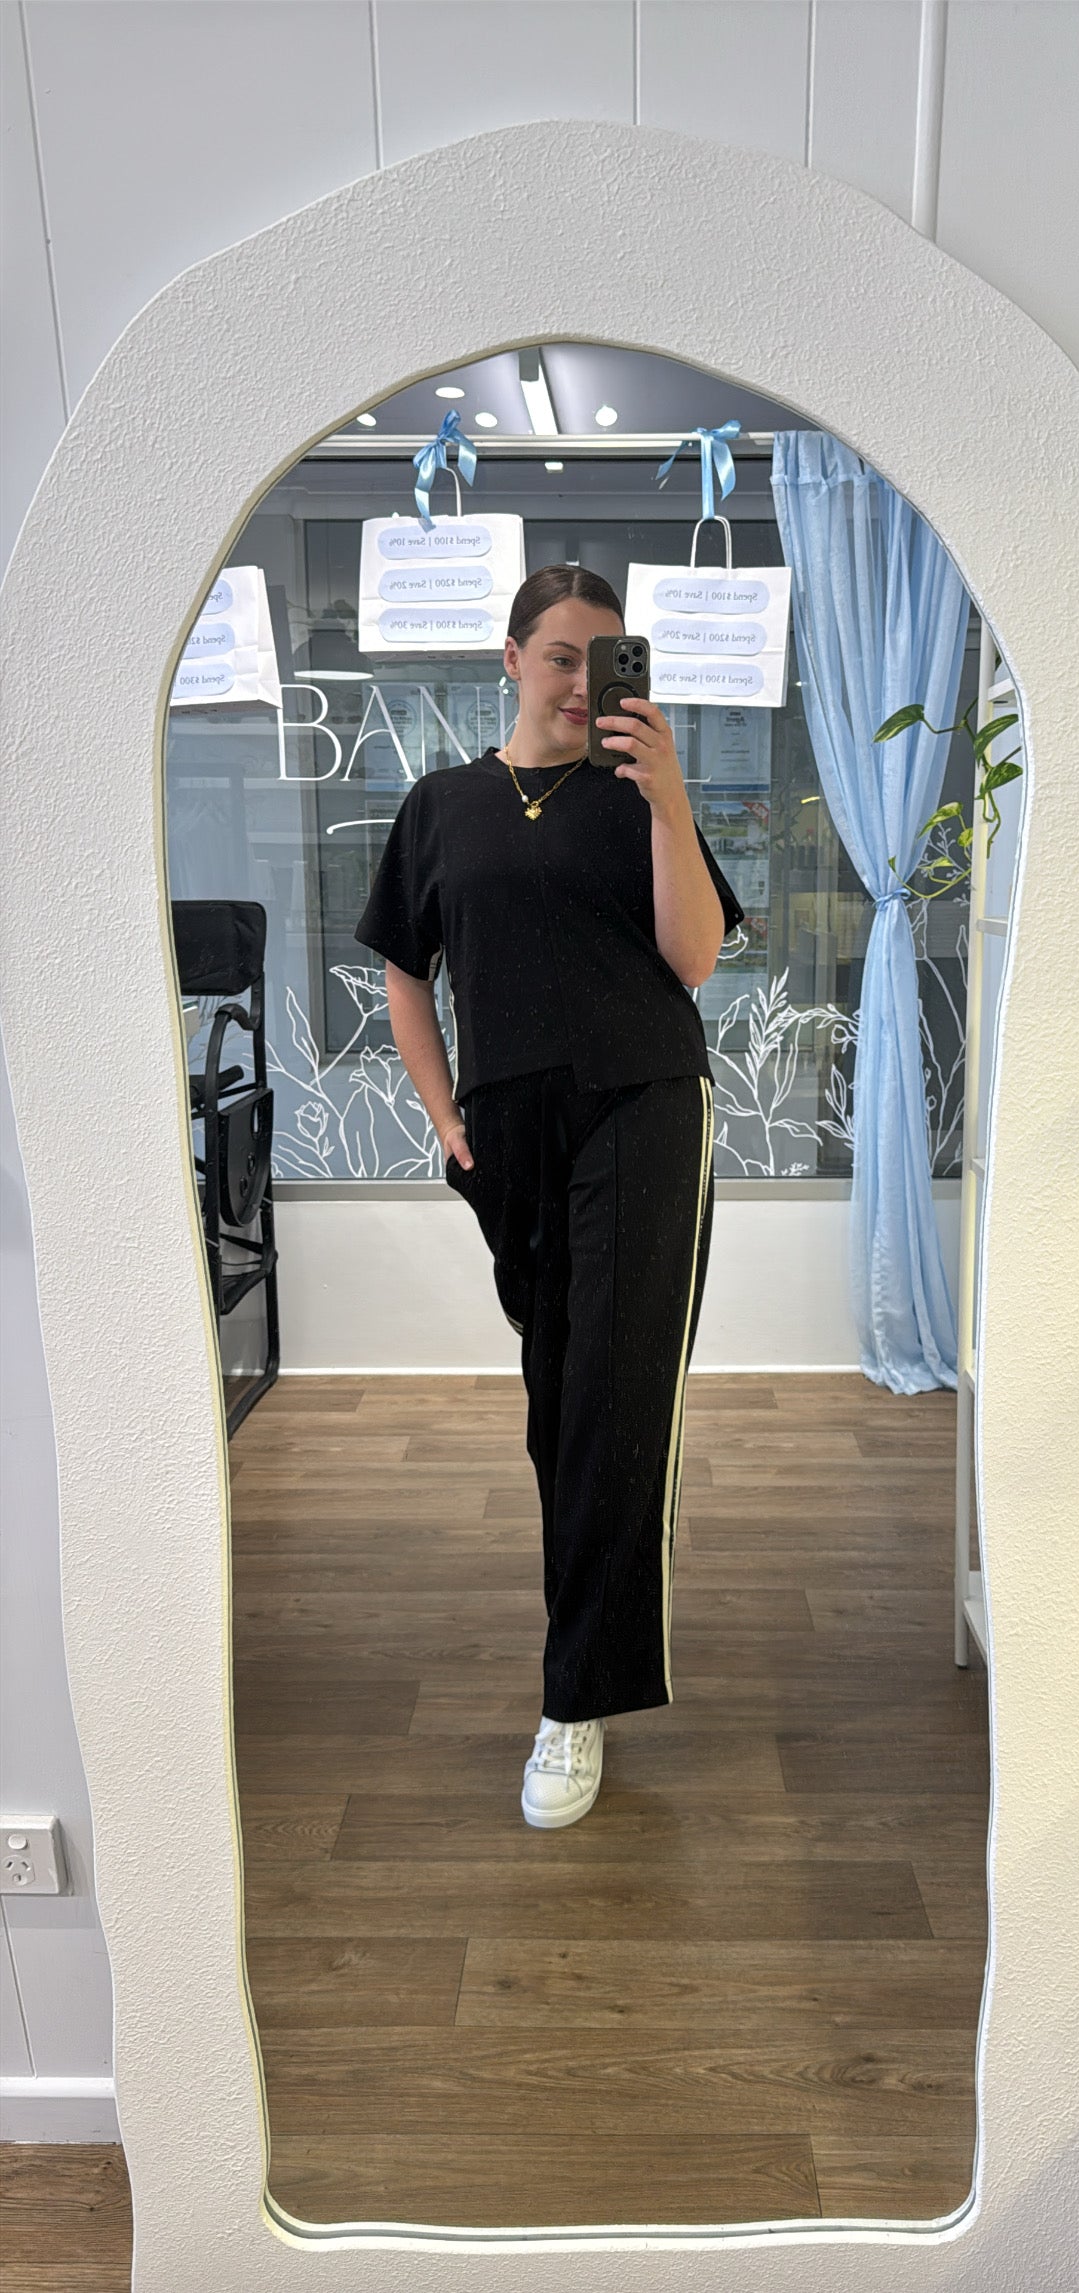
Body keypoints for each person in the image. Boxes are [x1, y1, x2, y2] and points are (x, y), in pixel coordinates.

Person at [354, 565, 745, 1829]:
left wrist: (670, 799)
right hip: (511, 1137)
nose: (584, 683)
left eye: (607, 660)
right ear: (512, 657)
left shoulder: (637, 795)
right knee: (558, 1404)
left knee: (616, 1401)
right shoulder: (441, 805)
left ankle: (574, 1700)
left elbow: (695, 958)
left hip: (644, 1101)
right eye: (564, 657)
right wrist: (445, 1116)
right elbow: (406, 971)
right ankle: (582, 1648)